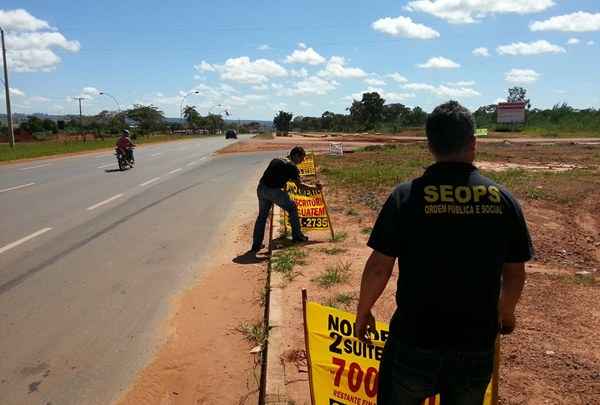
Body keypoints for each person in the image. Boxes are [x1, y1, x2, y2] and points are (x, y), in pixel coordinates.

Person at [355, 101, 533, 405]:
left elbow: (378, 268)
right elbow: (515, 273)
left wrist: (363, 312)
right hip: (475, 344)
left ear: (430, 146)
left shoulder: (405, 196)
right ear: (473, 143)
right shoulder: (502, 200)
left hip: (414, 340)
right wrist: (505, 314)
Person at [251, 146, 312, 253]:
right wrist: (315, 188)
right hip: (273, 191)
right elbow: (300, 186)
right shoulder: (292, 166)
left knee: (262, 217)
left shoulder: (277, 159)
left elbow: (276, 176)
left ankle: (256, 245)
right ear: (296, 155)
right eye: (301, 158)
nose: (301, 161)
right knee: (292, 208)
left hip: (261, 188)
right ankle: (297, 236)